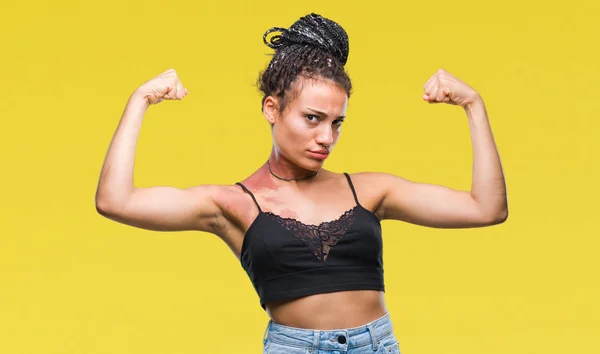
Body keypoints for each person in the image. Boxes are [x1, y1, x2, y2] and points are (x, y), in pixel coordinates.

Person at [95, 13, 507, 354]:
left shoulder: (369, 190)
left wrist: (474, 105)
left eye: (337, 122)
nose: (326, 137)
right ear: (272, 109)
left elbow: (486, 208)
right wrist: (140, 100)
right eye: (312, 118)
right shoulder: (231, 204)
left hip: (377, 346)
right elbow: (116, 201)